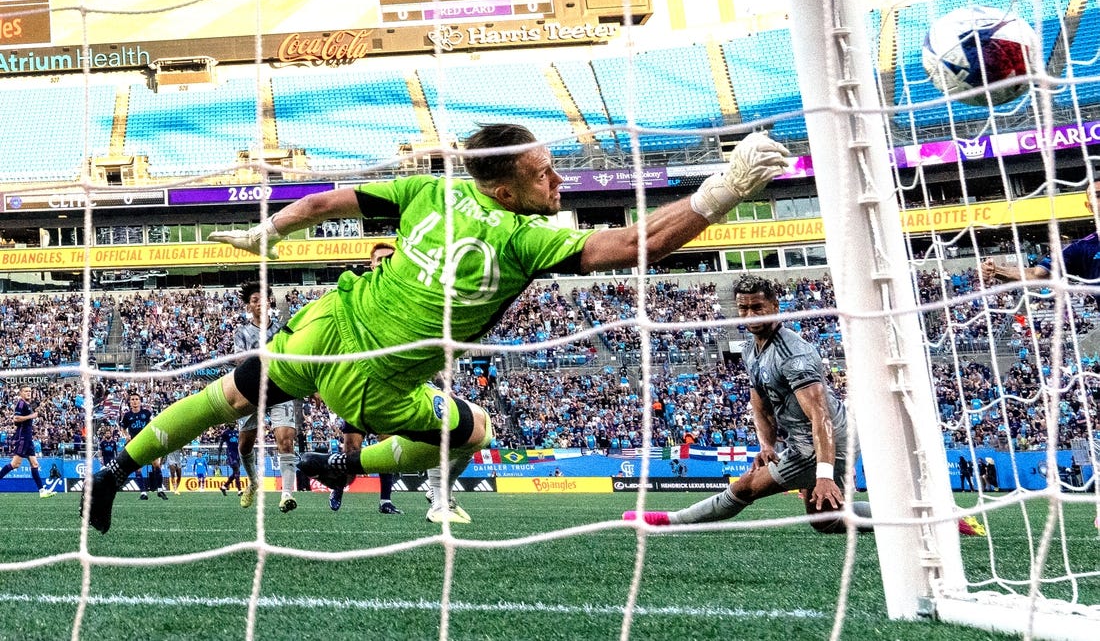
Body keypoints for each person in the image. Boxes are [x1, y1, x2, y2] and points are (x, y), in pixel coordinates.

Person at [83, 124, 789, 534]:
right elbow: (638, 244)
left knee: (228, 396)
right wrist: (722, 191)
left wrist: (266, 233)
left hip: (327, 322)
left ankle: (114, 471)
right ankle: (350, 466)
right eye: (546, 175)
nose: (560, 183)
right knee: (474, 429)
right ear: (506, 190)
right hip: (374, 381)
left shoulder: (432, 189)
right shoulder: (524, 238)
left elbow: (324, 202)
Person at [624, 275, 872, 533]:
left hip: (827, 442)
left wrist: (824, 474)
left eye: (757, 307)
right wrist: (767, 446)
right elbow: (760, 404)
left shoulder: (793, 354)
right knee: (826, 520)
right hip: (807, 441)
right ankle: (893, 513)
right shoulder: (751, 350)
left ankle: (671, 521)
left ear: (775, 306)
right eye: (743, 308)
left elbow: (821, 416)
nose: (749, 315)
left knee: (746, 486)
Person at [327, 242, 405, 516]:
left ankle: (385, 501)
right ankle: (339, 486)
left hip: (386, 386)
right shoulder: (360, 293)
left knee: (386, 447)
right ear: (370, 264)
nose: (383, 263)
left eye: (388, 259)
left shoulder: (402, 297)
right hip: (359, 386)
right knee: (351, 452)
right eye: (378, 260)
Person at [232, 281, 300, 513]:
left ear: (270, 302)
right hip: (252, 390)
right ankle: (253, 482)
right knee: (245, 445)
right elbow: (241, 362)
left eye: (263, 299)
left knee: (286, 440)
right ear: (248, 306)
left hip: (280, 388)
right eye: (254, 300)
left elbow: (292, 358)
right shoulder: (242, 333)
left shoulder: (282, 330)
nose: (260, 303)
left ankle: (287, 494)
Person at [981, 179, 1100, 285]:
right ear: (1089, 206)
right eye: (1098, 195)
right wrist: (996, 271)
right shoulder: (1081, 248)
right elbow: (1038, 274)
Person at [0, 385, 53, 497]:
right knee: (15, 464)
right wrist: (32, 416)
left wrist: (36, 412)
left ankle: (42, 491)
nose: (28, 393)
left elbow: (25, 417)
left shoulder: (27, 404)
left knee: (34, 464)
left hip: (28, 438)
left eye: (29, 391)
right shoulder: (21, 403)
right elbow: (16, 418)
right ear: (21, 393)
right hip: (23, 437)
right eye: (26, 391)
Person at [120, 394, 167, 501]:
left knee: (156, 464)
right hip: (136, 444)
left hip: (148, 442)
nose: (134, 401)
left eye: (136, 399)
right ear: (130, 402)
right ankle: (143, 493)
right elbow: (122, 427)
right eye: (132, 399)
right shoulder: (127, 415)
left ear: (140, 401)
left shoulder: (146, 413)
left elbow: (155, 423)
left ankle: (160, 490)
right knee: (138, 469)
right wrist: (126, 435)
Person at [217, 424, 244, 498]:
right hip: (230, 454)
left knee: (236, 472)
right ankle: (239, 490)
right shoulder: (225, 433)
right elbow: (221, 444)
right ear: (228, 424)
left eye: (233, 423)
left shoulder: (237, 432)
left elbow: (241, 442)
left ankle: (224, 486)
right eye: (231, 423)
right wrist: (219, 457)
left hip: (237, 454)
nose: (232, 424)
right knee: (237, 470)